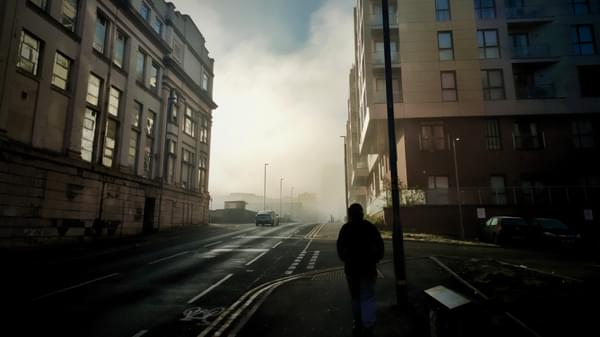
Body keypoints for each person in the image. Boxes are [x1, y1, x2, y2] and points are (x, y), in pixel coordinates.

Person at [337, 203, 384, 337]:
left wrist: (347, 258)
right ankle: (368, 325)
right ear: (362, 213)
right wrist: (375, 258)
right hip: (368, 268)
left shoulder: (346, 229)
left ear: (350, 215)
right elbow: (380, 247)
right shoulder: (370, 227)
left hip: (352, 270)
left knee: (355, 297)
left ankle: (357, 323)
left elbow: (340, 250)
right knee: (368, 296)